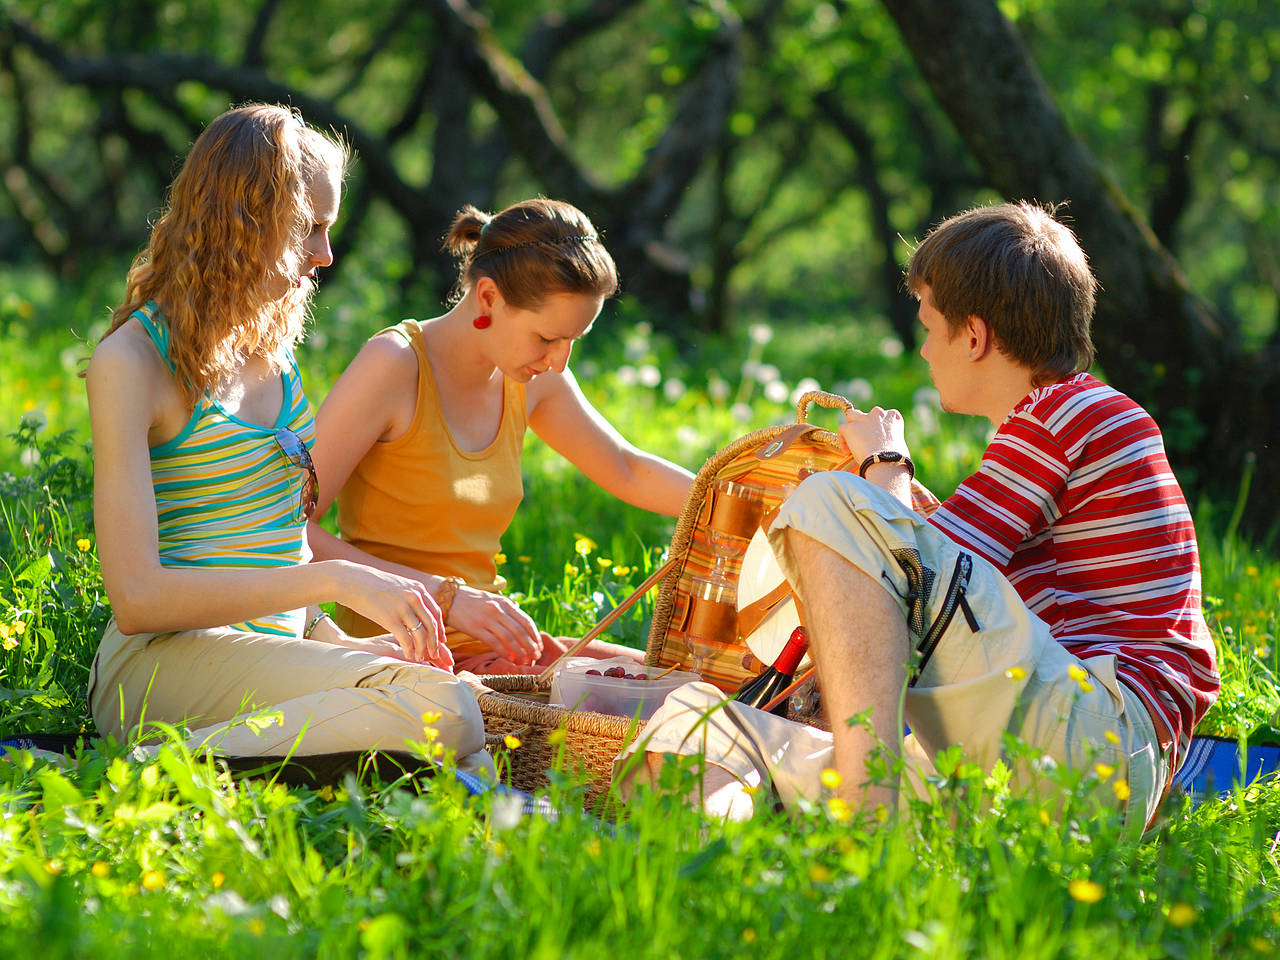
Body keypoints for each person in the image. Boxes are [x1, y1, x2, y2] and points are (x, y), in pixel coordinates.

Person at [621, 202, 1219, 831]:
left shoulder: (1067, 412)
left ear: (975, 336)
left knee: (827, 500)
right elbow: (934, 587)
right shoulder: (1065, 421)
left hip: (1097, 743)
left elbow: (909, 577)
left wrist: (885, 462)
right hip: (1045, 754)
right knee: (696, 728)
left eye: (930, 328)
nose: (926, 351)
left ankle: (866, 817)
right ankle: (732, 856)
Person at [85, 103, 490, 774]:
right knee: (443, 713)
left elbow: (275, 541)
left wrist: (343, 649)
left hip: (259, 660)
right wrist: (333, 580)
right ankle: (151, 768)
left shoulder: (273, 355)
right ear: (242, 220)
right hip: (158, 668)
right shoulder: (131, 365)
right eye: (310, 229)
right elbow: (139, 600)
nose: (325, 256)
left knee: (465, 738)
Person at [307, 198, 695, 674]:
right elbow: (285, 526)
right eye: (547, 338)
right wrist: (445, 598)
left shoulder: (529, 378)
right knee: (655, 716)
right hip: (400, 657)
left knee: (693, 689)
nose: (559, 361)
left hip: (496, 648)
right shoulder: (394, 366)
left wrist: (745, 501)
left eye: (574, 340)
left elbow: (627, 468)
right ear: (488, 297)